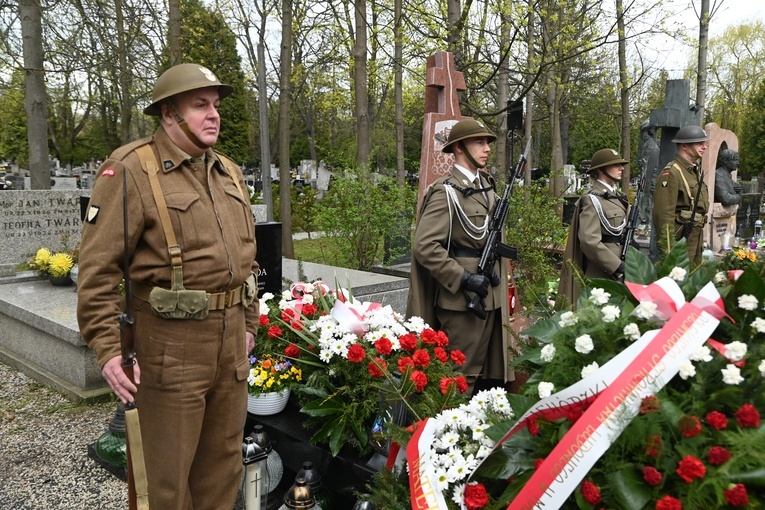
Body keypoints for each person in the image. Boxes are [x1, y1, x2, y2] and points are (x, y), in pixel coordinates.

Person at [77, 63, 259, 510]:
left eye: (215, 105)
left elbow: (248, 260)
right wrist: (108, 348)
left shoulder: (229, 173)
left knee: (222, 470)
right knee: (166, 481)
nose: (213, 114)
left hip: (231, 345)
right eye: (200, 105)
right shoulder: (130, 170)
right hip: (169, 349)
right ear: (168, 115)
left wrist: (250, 323)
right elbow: (97, 273)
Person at [406, 119, 513, 394]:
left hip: (489, 295)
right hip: (462, 300)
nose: (487, 148)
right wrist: (464, 278)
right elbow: (425, 246)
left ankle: (468, 430)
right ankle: (445, 432)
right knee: (456, 378)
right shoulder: (446, 192)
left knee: (479, 374)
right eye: (479, 142)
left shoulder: (486, 187)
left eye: (487, 142)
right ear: (459, 148)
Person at [558, 149, 630, 308]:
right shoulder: (591, 199)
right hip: (603, 271)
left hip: (622, 265)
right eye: (615, 165)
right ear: (601, 169)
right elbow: (589, 241)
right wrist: (617, 266)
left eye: (621, 164)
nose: (621, 168)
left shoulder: (617, 196)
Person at [652, 125, 710, 263]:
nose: (704, 147)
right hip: (680, 243)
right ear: (684, 146)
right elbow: (664, 215)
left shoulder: (693, 171)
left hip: (695, 239)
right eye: (699, 143)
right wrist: (669, 250)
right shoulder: (672, 172)